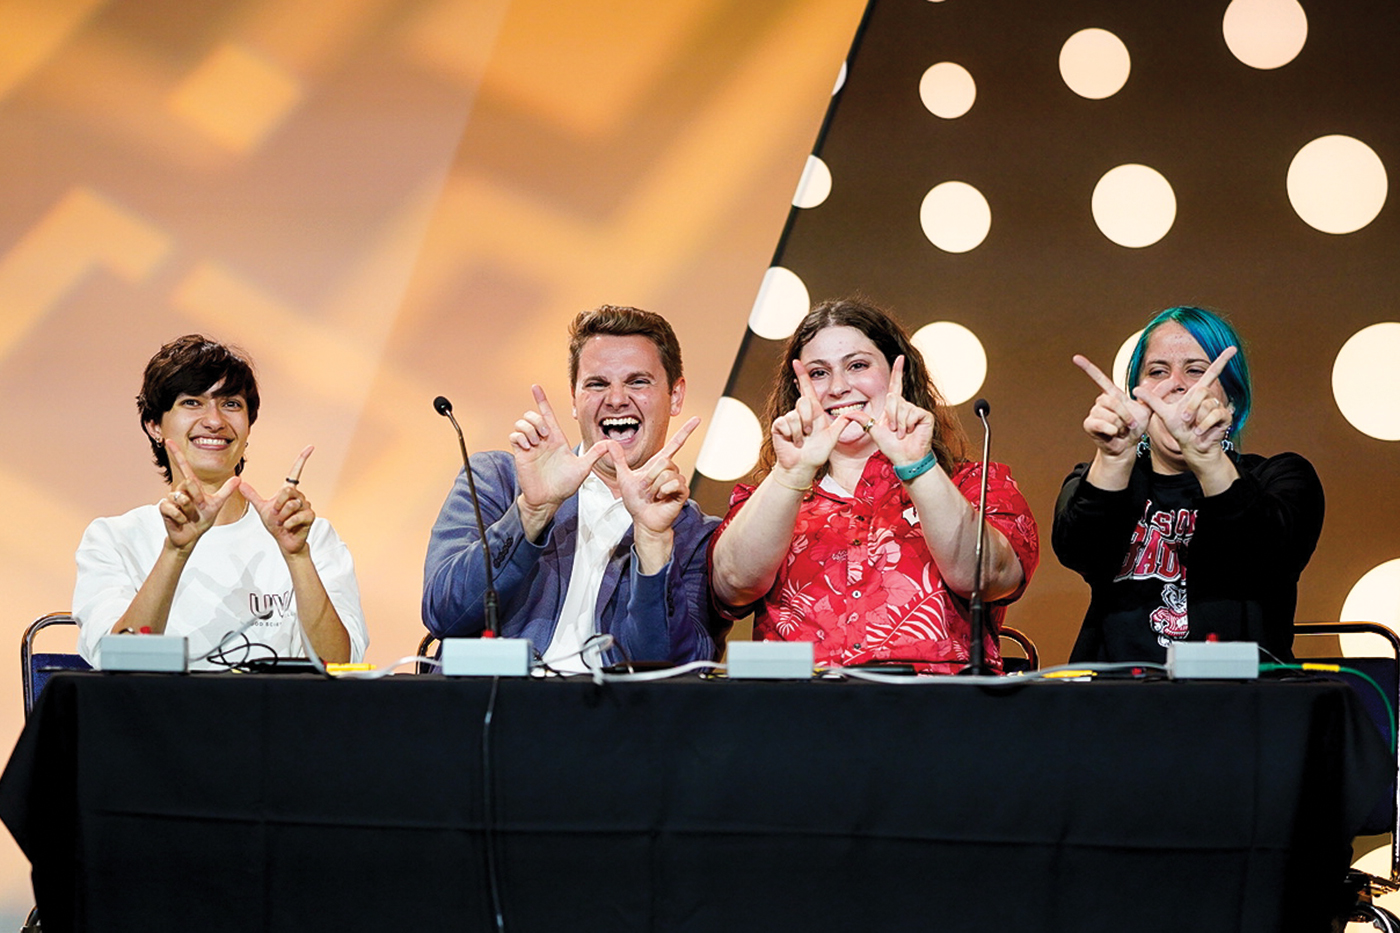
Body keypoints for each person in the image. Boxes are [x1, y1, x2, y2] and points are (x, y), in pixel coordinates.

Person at [708, 298, 1039, 674]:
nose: (837, 387)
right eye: (818, 373)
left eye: (858, 365)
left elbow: (985, 577)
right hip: (794, 710)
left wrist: (917, 466)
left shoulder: (973, 484)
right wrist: (790, 476)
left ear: (900, 373)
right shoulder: (767, 497)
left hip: (936, 712)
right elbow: (733, 586)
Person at [422, 304, 722, 671]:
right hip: (493, 710)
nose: (615, 399)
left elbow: (673, 669)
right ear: (574, 399)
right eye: (597, 384)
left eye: (637, 382)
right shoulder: (498, 479)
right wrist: (531, 513)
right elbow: (442, 615)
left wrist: (654, 540)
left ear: (675, 396)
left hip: (607, 722)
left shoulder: (695, 534)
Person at [73, 335, 368, 670]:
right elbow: (118, 664)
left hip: (278, 719)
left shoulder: (309, 537)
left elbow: (340, 667)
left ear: (248, 427)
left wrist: (297, 557)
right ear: (154, 425)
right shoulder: (115, 539)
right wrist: (176, 551)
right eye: (192, 402)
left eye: (230, 404)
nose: (215, 420)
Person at [1053, 305, 1324, 664]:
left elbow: (1267, 552)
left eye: (1196, 370)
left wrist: (1206, 455)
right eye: (1157, 371)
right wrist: (1115, 457)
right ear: (1137, 395)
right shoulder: (1105, 479)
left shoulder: (1281, 478)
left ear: (1233, 398)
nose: (1177, 383)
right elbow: (1080, 551)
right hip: (1117, 704)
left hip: (1240, 704)